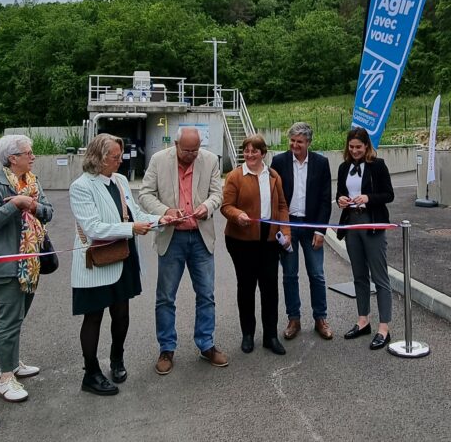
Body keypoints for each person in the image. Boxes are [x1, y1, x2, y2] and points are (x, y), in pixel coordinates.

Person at [70, 134, 169, 396]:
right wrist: (131, 228)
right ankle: (91, 373)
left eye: (119, 156)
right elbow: (93, 228)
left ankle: (117, 359)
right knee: (93, 317)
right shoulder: (81, 186)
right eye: (115, 157)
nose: (120, 161)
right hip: (97, 260)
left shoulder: (120, 180)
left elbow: (135, 214)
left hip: (123, 256)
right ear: (98, 159)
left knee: (121, 313)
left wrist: (161, 219)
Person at [139, 126, 227, 375]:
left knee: (206, 294)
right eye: (187, 150)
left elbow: (217, 194)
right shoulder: (158, 160)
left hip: (201, 237)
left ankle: (206, 344)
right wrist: (165, 211)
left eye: (195, 150)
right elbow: (145, 194)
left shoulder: (209, 160)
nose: (192, 155)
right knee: (166, 297)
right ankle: (166, 349)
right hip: (172, 238)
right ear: (176, 145)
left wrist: (206, 207)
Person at [0, 135, 53, 402]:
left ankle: (5, 363)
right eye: (28, 153)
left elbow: (49, 211)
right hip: (7, 263)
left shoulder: (32, 182)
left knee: (16, 317)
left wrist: (32, 204)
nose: (33, 157)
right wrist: (15, 205)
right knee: (9, 319)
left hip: (30, 262)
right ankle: (6, 379)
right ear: (13, 158)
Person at [221, 134, 291, 355]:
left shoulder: (273, 176)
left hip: (269, 240)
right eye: (246, 151)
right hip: (241, 240)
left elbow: (282, 206)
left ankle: (271, 336)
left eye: (254, 151)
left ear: (263, 153)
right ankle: (248, 334)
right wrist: (237, 214)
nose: (250, 155)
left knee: (270, 288)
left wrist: (285, 231)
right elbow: (226, 206)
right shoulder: (235, 176)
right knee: (246, 287)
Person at [270, 122, 333, 341]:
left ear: (308, 142)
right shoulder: (279, 162)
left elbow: (325, 200)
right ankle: (293, 319)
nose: (295, 145)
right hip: (288, 226)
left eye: (299, 141)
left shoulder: (321, 163)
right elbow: (274, 198)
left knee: (317, 274)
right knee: (289, 274)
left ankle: (320, 318)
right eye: (292, 140)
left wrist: (321, 231)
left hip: (311, 226)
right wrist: (281, 228)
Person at [336, 127, 395, 350]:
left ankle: (384, 327)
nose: (355, 151)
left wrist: (368, 198)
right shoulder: (344, 167)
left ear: (367, 146)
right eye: (351, 147)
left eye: (358, 147)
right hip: (351, 223)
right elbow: (340, 192)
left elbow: (389, 194)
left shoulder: (377, 165)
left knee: (380, 277)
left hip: (372, 223)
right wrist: (341, 199)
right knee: (359, 275)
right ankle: (363, 321)